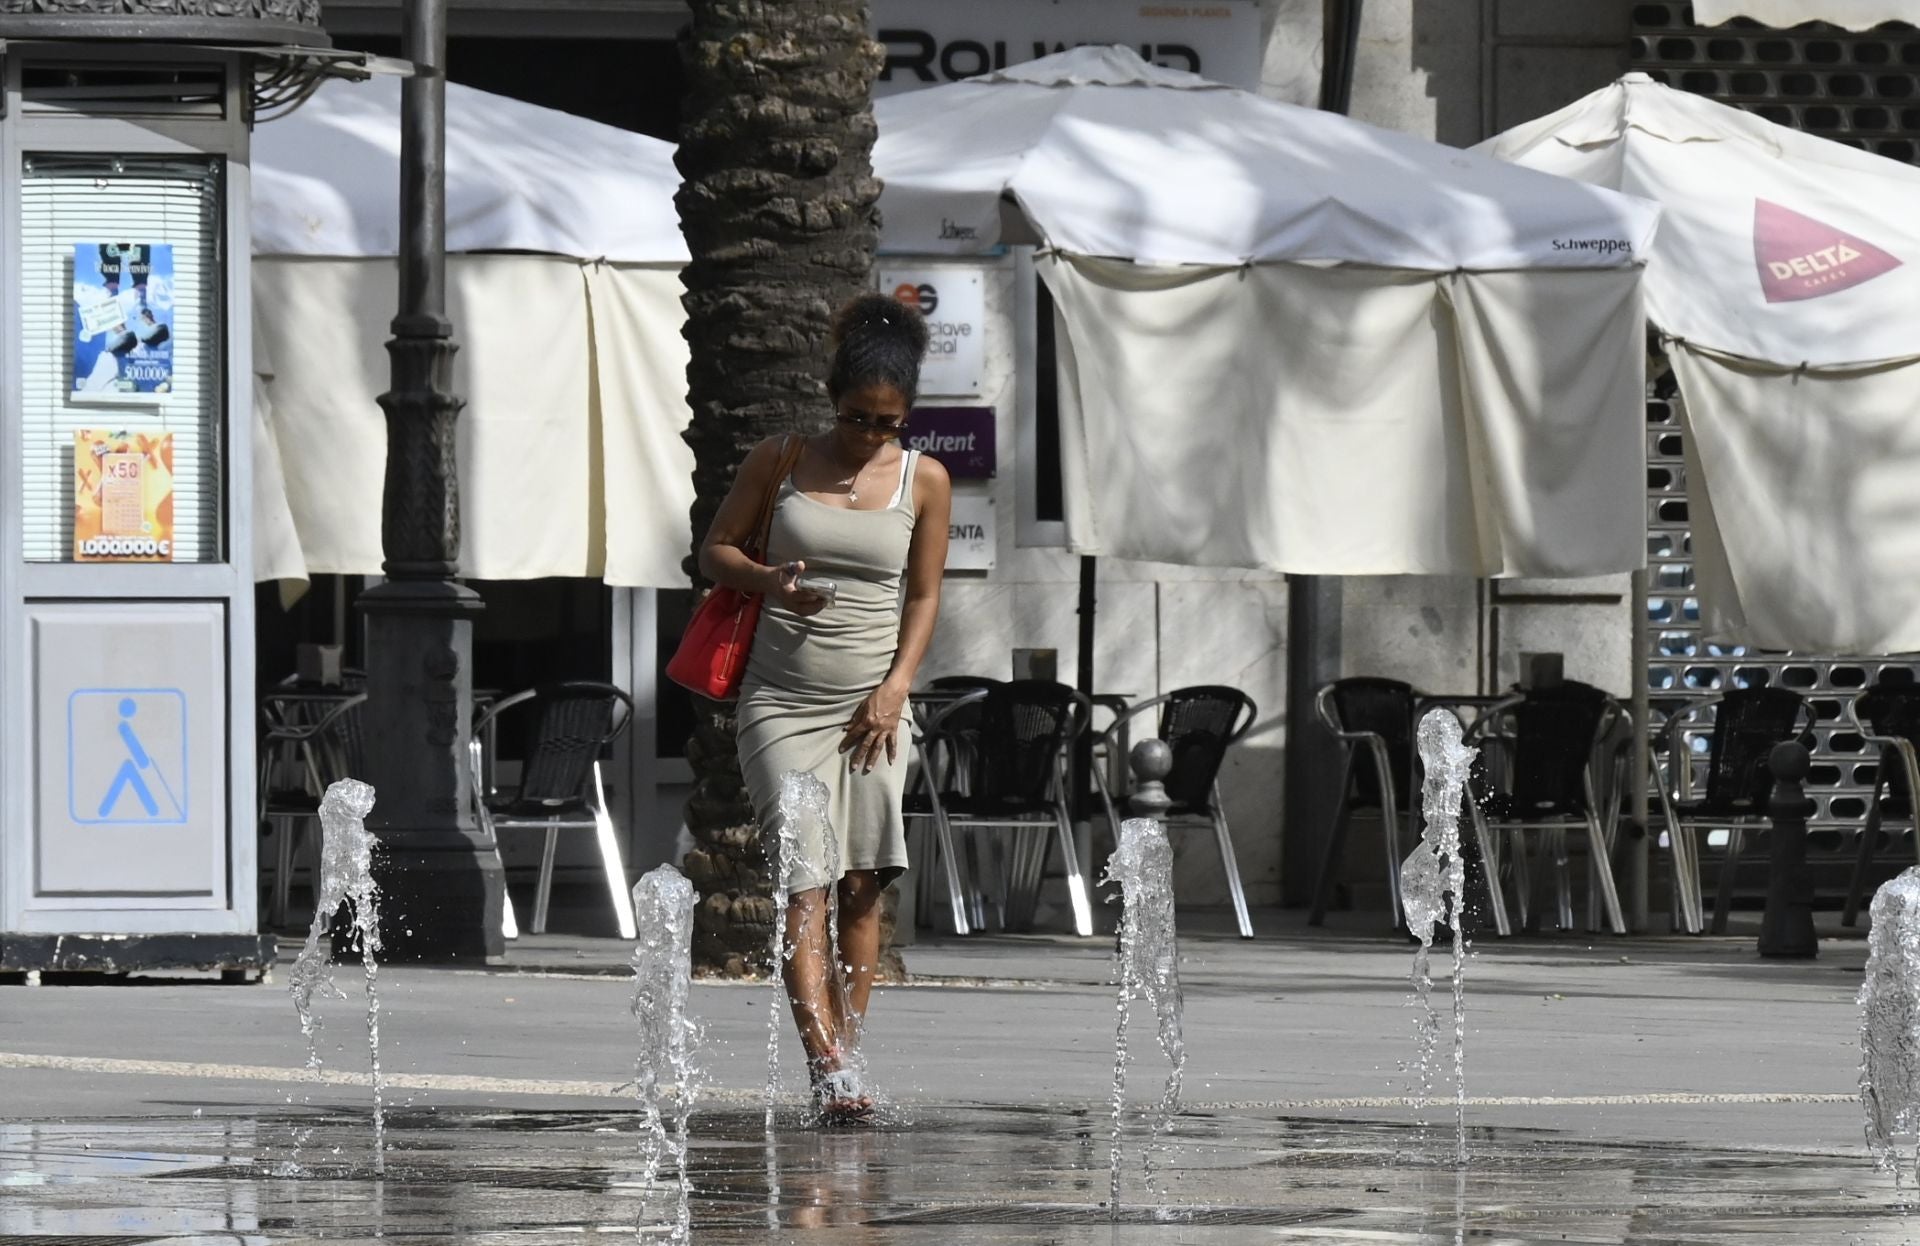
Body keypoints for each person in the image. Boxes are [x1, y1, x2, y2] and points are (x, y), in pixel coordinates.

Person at [697, 292, 951, 1122]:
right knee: (805, 881)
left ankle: (846, 1052)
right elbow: (716, 552)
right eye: (856, 417)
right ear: (831, 396)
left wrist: (896, 687)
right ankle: (830, 1065)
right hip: (781, 701)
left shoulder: (926, 479)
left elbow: (923, 596)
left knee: (863, 886)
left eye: (886, 422)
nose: (869, 435)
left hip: (874, 705)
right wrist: (770, 581)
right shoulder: (781, 458)